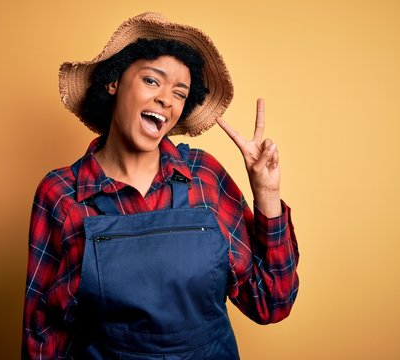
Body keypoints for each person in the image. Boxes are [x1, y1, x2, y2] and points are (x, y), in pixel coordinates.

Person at [22, 12, 299, 359]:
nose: (166, 99)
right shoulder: (61, 193)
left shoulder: (204, 176)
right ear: (114, 81)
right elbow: (43, 334)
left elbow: (271, 302)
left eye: (179, 93)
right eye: (152, 81)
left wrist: (267, 195)